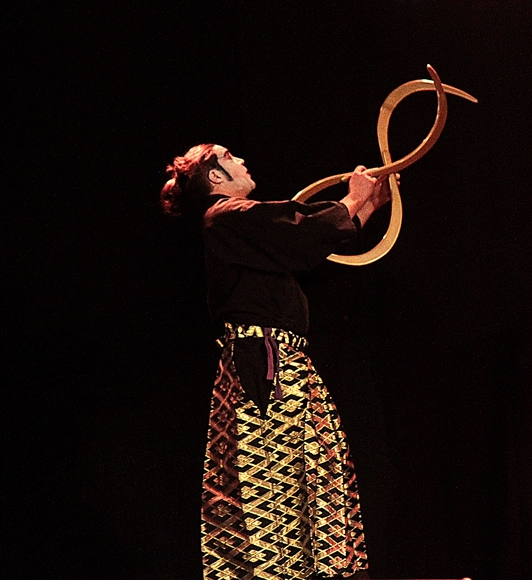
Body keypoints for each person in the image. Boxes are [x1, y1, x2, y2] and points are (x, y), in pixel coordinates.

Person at [161, 143, 391, 580]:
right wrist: (353, 197)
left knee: (309, 483)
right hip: (264, 367)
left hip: (279, 362)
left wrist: (365, 207)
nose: (243, 160)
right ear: (214, 177)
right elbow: (300, 233)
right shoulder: (227, 216)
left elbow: (304, 251)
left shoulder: (238, 227)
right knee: (272, 484)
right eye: (230, 157)